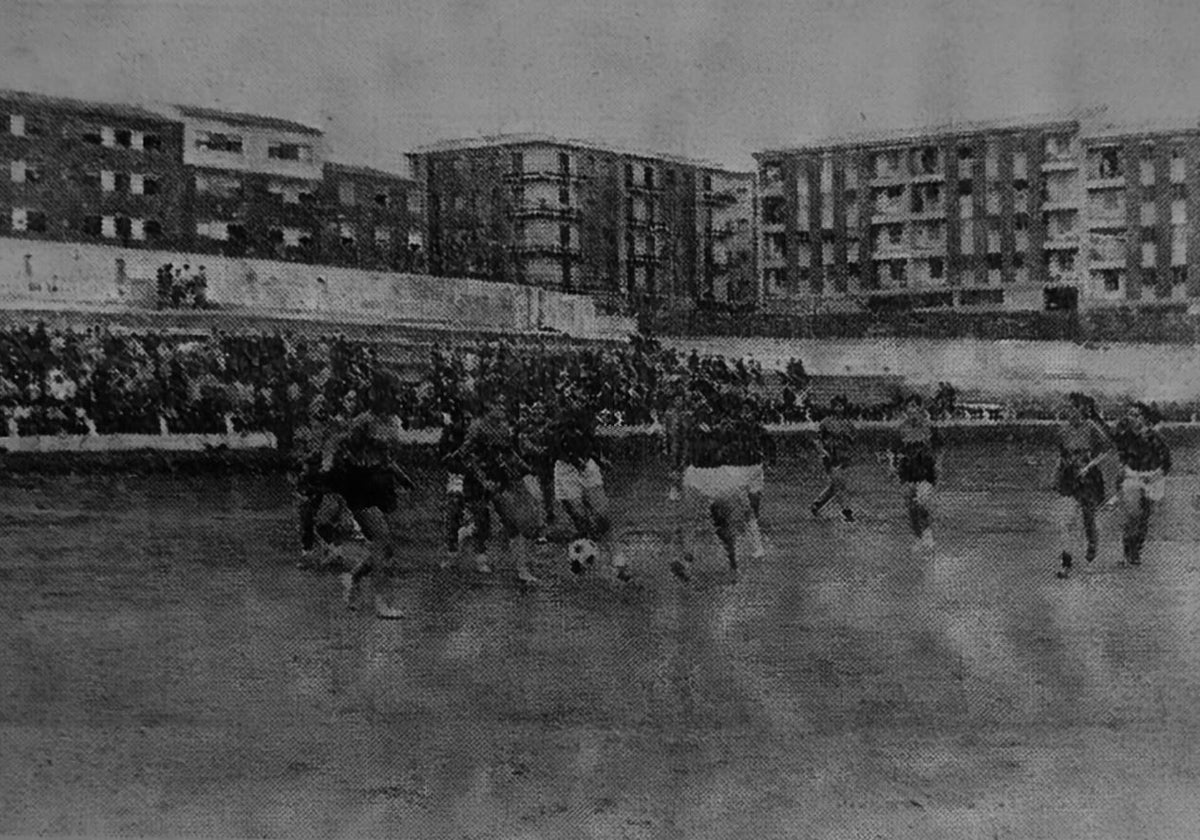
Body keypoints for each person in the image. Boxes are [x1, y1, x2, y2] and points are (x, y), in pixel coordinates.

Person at [297, 382, 415, 617]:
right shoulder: (364, 420)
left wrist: (403, 478)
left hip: (379, 485)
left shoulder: (390, 423)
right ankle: (382, 604)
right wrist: (328, 462)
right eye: (390, 393)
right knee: (381, 539)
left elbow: (386, 458)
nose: (393, 398)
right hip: (358, 485)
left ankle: (353, 578)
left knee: (387, 548)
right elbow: (336, 442)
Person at [455, 392, 545, 584]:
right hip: (476, 482)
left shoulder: (503, 429)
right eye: (500, 405)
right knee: (482, 523)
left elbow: (509, 453)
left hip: (498, 480)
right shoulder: (476, 428)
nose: (504, 408)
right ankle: (476, 549)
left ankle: (522, 570)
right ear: (489, 408)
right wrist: (482, 479)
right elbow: (465, 456)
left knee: (512, 522)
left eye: (504, 405)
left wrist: (525, 467)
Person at [671, 385, 749, 583]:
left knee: (721, 524)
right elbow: (689, 440)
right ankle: (687, 564)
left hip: (714, 474)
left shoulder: (731, 425)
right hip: (699, 472)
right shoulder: (699, 416)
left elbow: (723, 443)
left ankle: (732, 563)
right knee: (689, 520)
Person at [548, 397, 631, 581]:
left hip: (587, 467)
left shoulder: (588, 418)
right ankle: (581, 557)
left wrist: (600, 459)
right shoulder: (557, 424)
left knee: (602, 516)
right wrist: (572, 459)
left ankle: (618, 561)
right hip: (566, 471)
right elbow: (555, 449)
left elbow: (593, 443)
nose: (576, 401)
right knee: (581, 519)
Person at [1107, 401, 1172, 566]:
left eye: (1136, 415)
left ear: (1144, 418)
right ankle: (1128, 551)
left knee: (1143, 517)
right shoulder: (1127, 436)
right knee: (1132, 515)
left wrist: (1156, 475)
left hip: (1152, 480)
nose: (1132, 418)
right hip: (1132, 478)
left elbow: (1166, 462)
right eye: (1130, 414)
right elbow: (1118, 448)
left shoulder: (1155, 437)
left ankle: (1135, 550)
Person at [1053, 393, 1110, 579]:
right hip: (1070, 479)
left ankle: (1092, 546)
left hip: (1089, 480)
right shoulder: (1063, 430)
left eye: (1073, 408)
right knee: (1068, 520)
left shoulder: (1091, 427)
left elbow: (1106, 450)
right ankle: (1066, 563)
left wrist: (1088, 466)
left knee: (1088, 518)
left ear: (1081, 409)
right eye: (1067, 408)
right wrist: (1057, 476)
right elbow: (1062, 455)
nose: (1069, 412)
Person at [890, 394, 941, 551]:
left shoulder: (929, 427)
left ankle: (928, 535)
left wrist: (939, 466)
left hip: (926, 470)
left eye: (914, 406)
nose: (911, 410)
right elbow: (893, 451)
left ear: (920, 408)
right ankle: (918, 539)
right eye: (909, 406)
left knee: (922, 501)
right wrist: (891, 466)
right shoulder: (901, 429)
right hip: (906, 470)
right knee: (911, 507)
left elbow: (939, 449)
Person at [726, 393, 773, 559]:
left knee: (754, 508)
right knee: (747, 510)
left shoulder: (760, 430)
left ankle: (751, 534)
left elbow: (770, 447)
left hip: (756, 470)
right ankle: (756, 546)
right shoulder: (734, 428)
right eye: (744, 411)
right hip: (739, 471)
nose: (747, 414)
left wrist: (769, 461)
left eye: (750, 411)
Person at [811, 394, 857, 523]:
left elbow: (853, 440)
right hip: (830, 457)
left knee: (835, 485)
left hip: (843, 457)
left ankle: (817, 504)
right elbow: (817, 439)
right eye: (836, 406)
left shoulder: (848, 423)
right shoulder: (825, 422)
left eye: (841, 406)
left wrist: (848, 446)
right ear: (832, 407)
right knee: (839, 485)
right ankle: (847, 512)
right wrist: (822, 451)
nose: (839, 408)